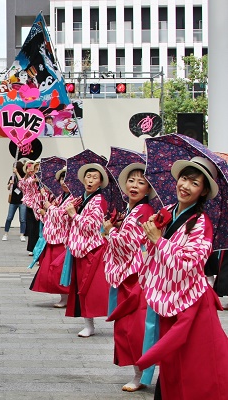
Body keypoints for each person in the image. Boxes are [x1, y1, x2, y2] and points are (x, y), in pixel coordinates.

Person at [137, 156, 228, 399]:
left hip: (191, 302)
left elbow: (190, 263)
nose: (185, 186)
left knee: (195, 364)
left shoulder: (200, 223)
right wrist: (149, 234)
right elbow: (152, 249)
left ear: (204, 191)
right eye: (184, 178)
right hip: (168, 297)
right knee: (172, 362)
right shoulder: (167, 211)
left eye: (194, 183)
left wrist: (158, 240)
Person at [102, 163, 155, 392]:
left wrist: (110, 231)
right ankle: (140, 373)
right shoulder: (132, 210)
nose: (135, 185)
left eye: (141, 182)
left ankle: (141, 374)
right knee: (128, 328)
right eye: (132, 180)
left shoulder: (144, 211)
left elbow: (128, 244)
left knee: (135, 329)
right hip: (126, 276)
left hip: (136, 278)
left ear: (148, 189)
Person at [64, 163, 110, 337]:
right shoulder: (83, 198)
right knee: (82, 288)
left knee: (87, 288)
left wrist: (74, 215)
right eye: (88, 177)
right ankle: (88, 323)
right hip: (80, 248)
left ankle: (90, 324)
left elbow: (91, 226)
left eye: (94, 178)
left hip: (90, 249)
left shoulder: (98, 200)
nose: (90, 180)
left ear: (100, 182)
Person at [30, 167, 71, 308]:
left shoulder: (74, 198)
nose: (64, 182)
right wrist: (46, 208)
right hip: (55, 236)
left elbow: (64, 215)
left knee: (61, 269)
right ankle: (64, 296)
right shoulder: (60, 197)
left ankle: (67, 296)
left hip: (65, 239)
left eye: (67, 180)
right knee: (53, 270)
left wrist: (50, 208)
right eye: (62, 179)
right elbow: (54, 214)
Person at [2, 160, 27, 242]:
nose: (13, 169)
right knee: (9, 218)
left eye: (15, 167)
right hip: (13, 201)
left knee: (22, 219)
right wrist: (10, 184)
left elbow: (22, 183)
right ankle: (5, 233)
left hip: (22, 201)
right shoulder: (12, 177)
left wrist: (16, 173)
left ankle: (22, 234)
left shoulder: (24, 176)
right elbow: (8, 188)